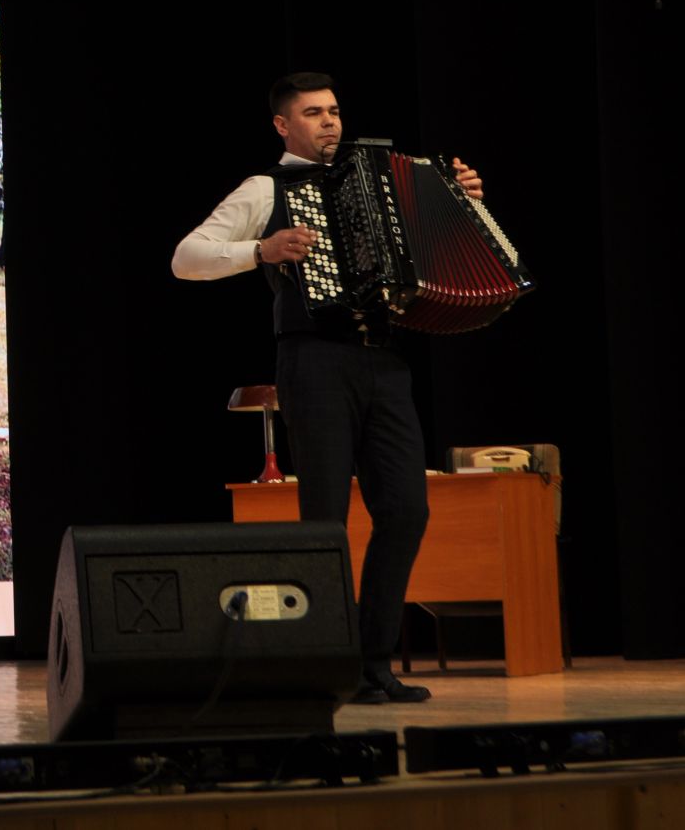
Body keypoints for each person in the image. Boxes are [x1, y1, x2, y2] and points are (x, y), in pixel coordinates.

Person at [170, 71, 485, 705]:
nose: (331, 123)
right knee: (325, 522)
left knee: (407, 510)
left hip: (385, 363)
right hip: (313, 363)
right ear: (284, 126)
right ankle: (325, 664)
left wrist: (461, 202)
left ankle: (373, 662)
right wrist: (262, 250)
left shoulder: (386, 181)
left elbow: (437, 254)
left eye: (335, 111)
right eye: (314, 113)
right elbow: (187, 257)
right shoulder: (266, 188)